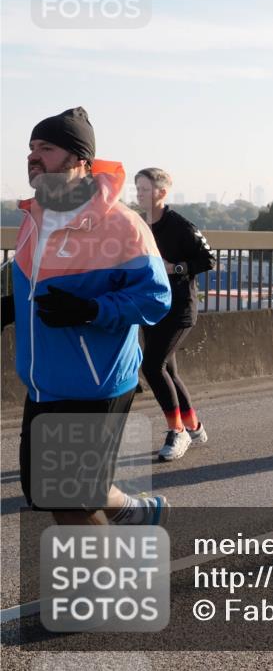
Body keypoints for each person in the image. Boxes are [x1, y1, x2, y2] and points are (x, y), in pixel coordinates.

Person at [4, 107, 172, 525]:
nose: (33, 155)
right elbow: (30, 284)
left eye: (47, 147)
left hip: (95, 381)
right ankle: (134, 512)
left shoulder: (122, 225)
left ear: (80, 159)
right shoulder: (34, 216)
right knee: (58, 493)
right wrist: (9, 306)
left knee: (69, 500)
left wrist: (92, 309)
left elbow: (154, 299)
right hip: (43, 381)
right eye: (31, 147)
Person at [135, 168, 216, 461]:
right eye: (138, 189)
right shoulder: (139, 223)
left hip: (179, 308)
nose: (139, 194)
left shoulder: (180, 225)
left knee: (153, 366)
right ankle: (194, 425)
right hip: (151, 306)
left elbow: (208, 259)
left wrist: (176, 268)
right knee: (168, 370)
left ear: (161, 193)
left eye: (144, 189)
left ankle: (177, 431)